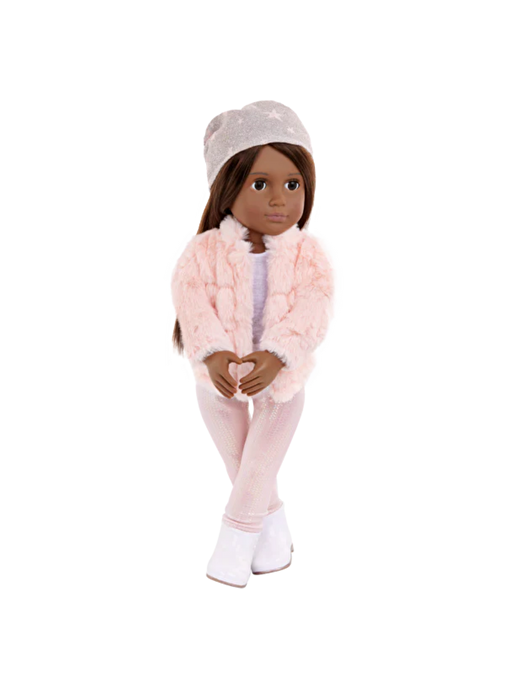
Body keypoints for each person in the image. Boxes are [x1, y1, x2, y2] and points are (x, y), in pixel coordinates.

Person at [171, 100, 335, 588]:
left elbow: (315, 307)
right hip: (219, 379)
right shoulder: (204, 252)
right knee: (240, 461)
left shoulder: (309, 256)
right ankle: (274, 537)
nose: (280, 199)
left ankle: (235, 542)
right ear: (228, 187)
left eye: (293, 184)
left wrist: (279, 354)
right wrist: (212, 351)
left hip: (282, 382)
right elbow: (190, 298)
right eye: (260, 184)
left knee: (258, 460)